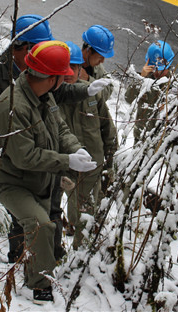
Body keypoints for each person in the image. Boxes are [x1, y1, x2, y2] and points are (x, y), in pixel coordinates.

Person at [0, 15, 111, 263]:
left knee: (51, 208)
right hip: (15, 163)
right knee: (24, 217)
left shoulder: (36, 74)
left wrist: (85, 90)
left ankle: (51, 254)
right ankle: (20, 258)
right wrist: (3, 157)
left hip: (45, 159)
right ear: (23, 47)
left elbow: (57, 93)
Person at [0, 40, 98, 303]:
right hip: (12, 182)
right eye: (63, 77)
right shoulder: (12, 108)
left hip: (40, 178)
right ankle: (39, 285)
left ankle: (41, 263)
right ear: (52, 78)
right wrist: (66, 161)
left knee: (48, 223)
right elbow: (25, 157)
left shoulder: (43, 95)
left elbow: (60, 129)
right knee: (41, 225)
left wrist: (76, 149)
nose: (66, 81)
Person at [58, 42, 118, 249]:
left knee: (87, 212)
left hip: (92, 166)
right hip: (64, 167)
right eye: (65, 68)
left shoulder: (92, 94)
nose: (69, 73)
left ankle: (81, 252)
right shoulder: (50, 98)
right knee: (68, 211)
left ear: (80, 69)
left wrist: (110, 160)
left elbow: (107, 128)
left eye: (74, 68)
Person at [125, 40, 175, 141]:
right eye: (154, 68)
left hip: (162, 142)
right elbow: (128, 98)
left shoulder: (174, 85)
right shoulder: (144, 79)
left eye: (160, 68)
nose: (157, 72)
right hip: (140, 138)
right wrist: (140, 78)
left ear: (168, 65)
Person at [79, 25, 115, 101]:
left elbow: (108, 90)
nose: (102, 61)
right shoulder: (71, 65)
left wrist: (89, 79)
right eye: (100, 57)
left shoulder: (98, 68)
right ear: (88, 51)